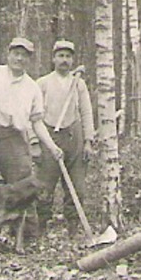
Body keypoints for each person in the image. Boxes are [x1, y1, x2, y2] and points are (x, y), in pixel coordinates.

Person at [0, 37, 66, 254]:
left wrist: (52, 146)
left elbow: (36, 122)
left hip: (14, 139)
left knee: (26, 186)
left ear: (29, 59)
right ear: (8, 54)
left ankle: (25, 239)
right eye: (16, 53)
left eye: (24, 55)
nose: (19, 58)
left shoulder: (32, 87)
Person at [35, 40, 97, 243]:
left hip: (74, 135)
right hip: (49, 134)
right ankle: (42, 226)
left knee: (77, 186)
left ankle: (73, 228)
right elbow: (33, 116)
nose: (64, 60)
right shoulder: (42, 83)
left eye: (68, 56)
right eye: (60, 56)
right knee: (45, 186)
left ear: (72, 60)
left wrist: (88, 140)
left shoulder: (78, 83)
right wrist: (36, 142)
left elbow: (86, 112)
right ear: (53, 59)